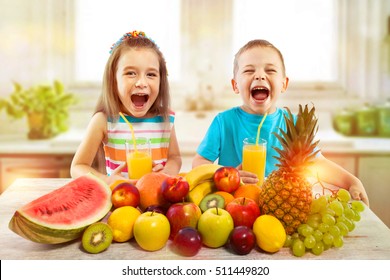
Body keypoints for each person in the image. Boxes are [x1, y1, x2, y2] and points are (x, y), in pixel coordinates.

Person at [192, 39, 369, 206]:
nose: (260, 76)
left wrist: (352, 181)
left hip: (283, 207)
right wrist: (228, 174)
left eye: (270, 70)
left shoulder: (294, 125)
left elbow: (317, 163)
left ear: (284, 84)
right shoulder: (224, 122)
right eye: (248, 70)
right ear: (235, 85)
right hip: (236, 208)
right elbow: (200, 162)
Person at [71, 30, 181, 185]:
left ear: (161, 80)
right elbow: (77, 167)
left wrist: (166, 173)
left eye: (151, 74)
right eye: (131, 73)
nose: (141, 82)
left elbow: (175, 158)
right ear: (113, 79)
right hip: (121, 202)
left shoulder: (165, 119)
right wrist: (107, 180)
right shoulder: (104, 120)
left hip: (158, 200)